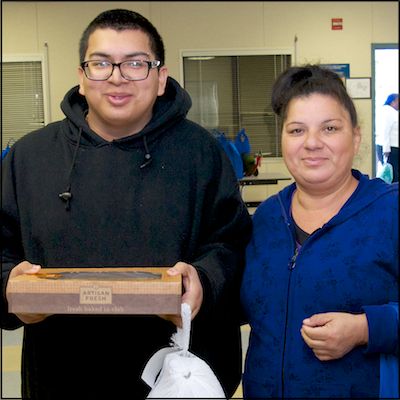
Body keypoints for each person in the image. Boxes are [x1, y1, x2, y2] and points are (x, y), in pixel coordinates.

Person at [1, 9, 252, 399]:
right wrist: (9, 289)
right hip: (60, 373)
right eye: (101, 63)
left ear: (161, 77)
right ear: (81, 78)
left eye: (135, 63)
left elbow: (233, 243)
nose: (117, 77)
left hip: (173, 379)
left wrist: (203, 279)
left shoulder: (200, 153)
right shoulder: (30, 157)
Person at [240, 64, 398, 398]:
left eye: (329, 128)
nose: (312, 143)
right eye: (297, 130)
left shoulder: (389, 210)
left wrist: (366, 328)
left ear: (355, 137)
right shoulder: (268, 217)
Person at [376, 93, 399, 182]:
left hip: (392, 147)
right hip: (390, 148)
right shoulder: (388, 112)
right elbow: (385, 131)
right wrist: (386, 149)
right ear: (392, 101)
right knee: (393, 175)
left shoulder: (392, 112)